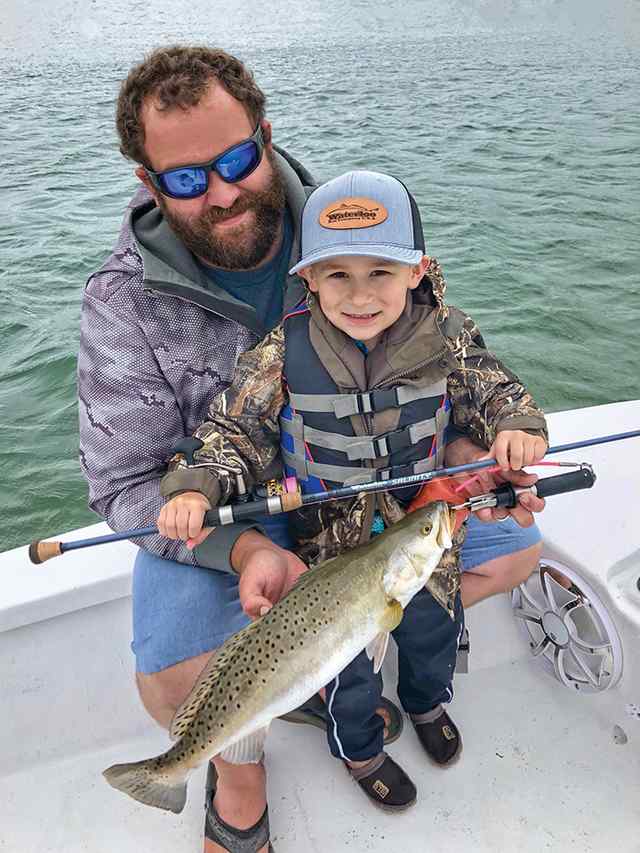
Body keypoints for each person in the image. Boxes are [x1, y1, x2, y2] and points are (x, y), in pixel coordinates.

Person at [77, 45, 544, 852]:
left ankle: (334, 674)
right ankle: (242, 769)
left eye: (235, 160)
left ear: (265, 135)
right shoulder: (122, 305)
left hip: (382, 499)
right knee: (173, 678)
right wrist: (243, 541)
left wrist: (472, 452)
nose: (222, 192)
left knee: (517, 553)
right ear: (150, 185)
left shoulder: (354, 220)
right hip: (240, 515)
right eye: (188, 178)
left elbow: (452, 365)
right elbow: (125, 487)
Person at [157, 169, 548, 812]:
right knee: (343, 668)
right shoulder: (282, 352)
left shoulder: (447, 333)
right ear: (308, 279)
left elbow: (495, 391)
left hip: (428, 532)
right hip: (328, 552)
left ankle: (426, 702)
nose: (360, 294)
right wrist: (196, 487)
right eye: (338, 274)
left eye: (381, 272)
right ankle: (359, 748)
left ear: (417, 271)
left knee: (433, 632)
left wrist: (516, 428)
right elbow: (234, 430)